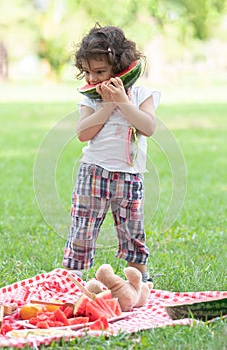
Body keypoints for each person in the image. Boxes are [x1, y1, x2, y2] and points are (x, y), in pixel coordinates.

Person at [62, 24, 160, 282]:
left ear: (119, 68)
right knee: (83, 227)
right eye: (87, 72)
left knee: (132, 231)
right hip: (93, 173)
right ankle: (73, 277)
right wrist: (106, 106)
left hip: (130, 176)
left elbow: (148, 127)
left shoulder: (141, 94)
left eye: (100, 72)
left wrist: (124, 102)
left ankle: (139, 278)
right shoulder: (91, 99)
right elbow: (83, 133)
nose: (92, 79)